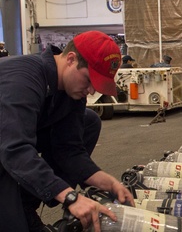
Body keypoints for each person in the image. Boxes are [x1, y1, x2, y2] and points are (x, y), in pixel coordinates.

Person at [0, 31, 135, 231]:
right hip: (6, 145)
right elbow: (14, 148)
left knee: (89, 122)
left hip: (11, 140)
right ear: (71, 59)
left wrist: (107, 181)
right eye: (89, 80)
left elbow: (68, 149)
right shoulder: (24, 78)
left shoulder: (71, 92)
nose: (91, 91)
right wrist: (70, 196)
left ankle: (25, 204)